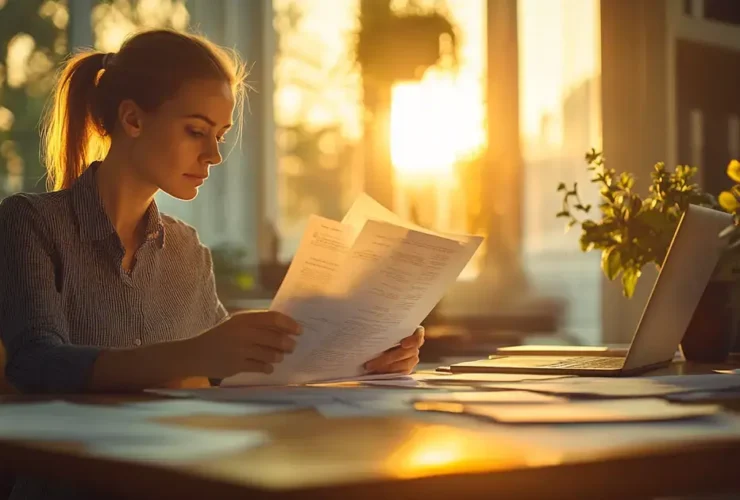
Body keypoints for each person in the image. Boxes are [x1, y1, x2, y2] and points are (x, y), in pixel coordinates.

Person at [0, 29, 424, 499]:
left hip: (174, 482)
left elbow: (234, 374)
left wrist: (368, 361)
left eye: (219, 136)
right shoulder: (30, 224)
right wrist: (195, 354)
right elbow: (35, 364)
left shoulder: (188, 252)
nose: (214, 155)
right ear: (133, 119)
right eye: (196, 131)